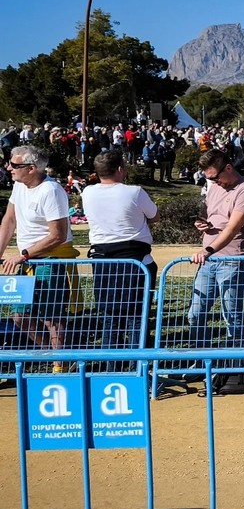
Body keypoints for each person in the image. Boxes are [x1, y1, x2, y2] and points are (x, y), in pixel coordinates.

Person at [0, 146, 78, 365]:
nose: (9, 168)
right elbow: (9, 219)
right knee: (21, 317)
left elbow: (58, 235)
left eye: (15, 165)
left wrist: (23, 255)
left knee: (51, 316)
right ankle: (53, 356)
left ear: (32, 168)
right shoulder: (19, 185)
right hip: (27, 260)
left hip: (49, 259)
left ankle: (59, 365)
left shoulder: (50, 191)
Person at [82, 150, 158, 348]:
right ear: (120, 169)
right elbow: (154, 215)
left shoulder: (88, 192)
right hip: (134, 258)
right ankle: (138, 364)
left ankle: (111, 366)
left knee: (110, 314)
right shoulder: (134, 191)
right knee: (136, 314)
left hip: (102, 258)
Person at [187, 149, 244, 346]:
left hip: (232, 260)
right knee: (195, 313)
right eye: (209, 178)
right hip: (209, 261)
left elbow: (232, 228)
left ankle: (235, 362)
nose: (213, 181)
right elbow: (214, 217)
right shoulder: (215, 186)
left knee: (232, 314)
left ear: (228, 168)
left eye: (215, 177)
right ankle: (199, 357)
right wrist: (203, 224)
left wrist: (207, 251)